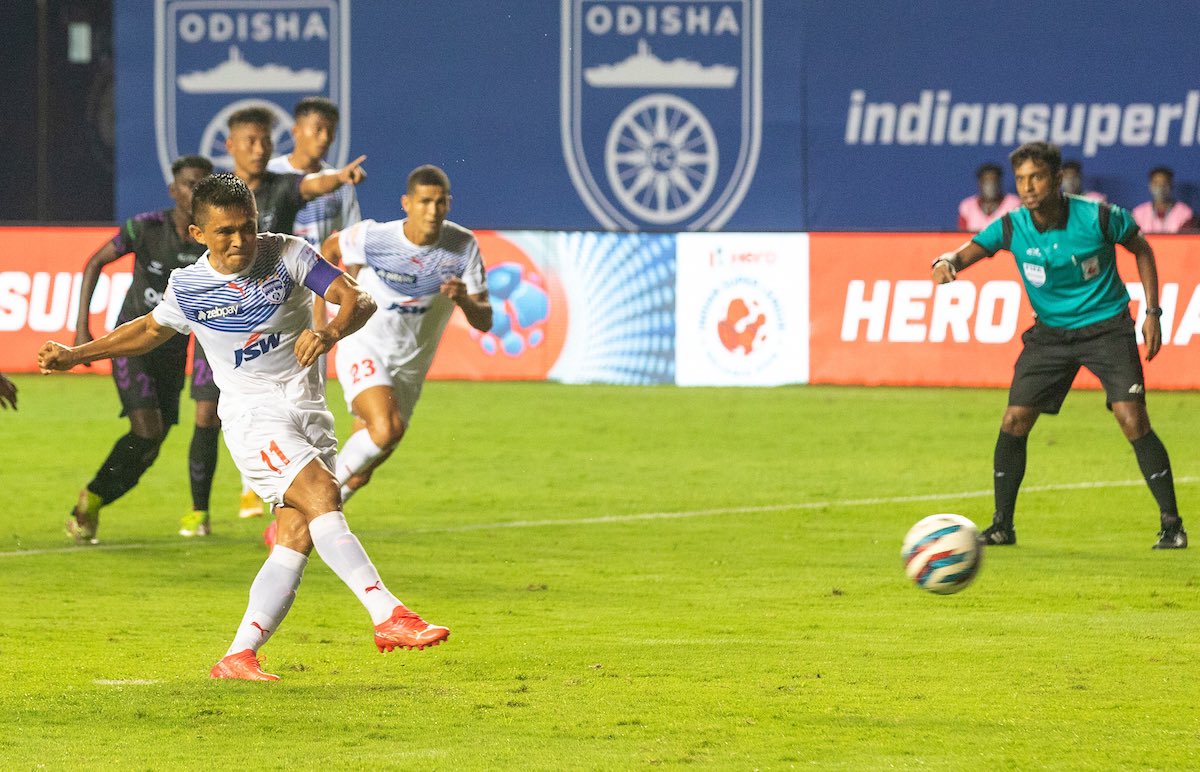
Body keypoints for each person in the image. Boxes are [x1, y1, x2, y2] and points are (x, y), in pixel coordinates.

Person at [38, 173, 449, 680]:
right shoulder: (188, 287)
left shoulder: (289, 255)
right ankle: (388, 614)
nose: (240, 241)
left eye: (248, 227)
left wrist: (328, 332)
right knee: (323, 493)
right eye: (226, 231)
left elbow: (356, 299)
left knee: (296, 533)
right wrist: (77, 354)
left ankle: (239, 655)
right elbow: (147, 330)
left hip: (308, 407)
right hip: (254, 415)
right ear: (199, 234)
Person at [932, 141, 1185, 549]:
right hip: (1050, 334)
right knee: (1014, 421)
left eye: (1036, 177)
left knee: (1131, 418)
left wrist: (1153, 313)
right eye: (1021, 179)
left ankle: (1172, 526)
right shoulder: (1013, 226)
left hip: (1107, 328)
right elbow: (967, 253)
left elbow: (1143, 248)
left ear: (1055, 178)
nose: (1028, 187)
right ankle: (1002, 526)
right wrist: (946, 265)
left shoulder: (1099, 216)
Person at [261, 165, 492, 547]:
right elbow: (332, 248)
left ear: (448, 204)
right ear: (407, 204)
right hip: (363, 344)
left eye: (439, 203)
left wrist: (464, 299)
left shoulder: (463, 247)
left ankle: (297, 522)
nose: (432, 210)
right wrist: (324, 317)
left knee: (362, 469)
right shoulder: (375, 237)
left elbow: (484, 321)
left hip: (410, 367)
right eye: (424, 202)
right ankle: (303, 519)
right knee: (387, 429)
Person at [221, 104, 368, 520]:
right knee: (257, 385)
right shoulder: (277, 177)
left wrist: (344, 292)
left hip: (317, 290)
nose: (323, 137)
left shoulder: (334, 185)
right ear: (298, 131)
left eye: (330, 131)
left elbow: (349, 240)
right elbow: (304, 188)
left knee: (305, 386)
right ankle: (258, 484)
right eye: (316, 129)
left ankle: (302, 478)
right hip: (268, 295)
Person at [65, 155, 214, 544]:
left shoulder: (212, 238)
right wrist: (83, 327)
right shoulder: (145, 227)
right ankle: (91, 502)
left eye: (203, 184)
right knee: (148, 430)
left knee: (153, 443)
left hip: (172, 350)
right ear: (174, 190)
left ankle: (93, 499)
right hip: (132, 344)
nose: (195, 191)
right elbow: (95, 261)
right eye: (188, 184)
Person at [958, 163, 1021, 231]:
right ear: (980, 183)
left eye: (994, 181)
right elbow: (961, 236)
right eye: (986, 182)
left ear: (999, 183)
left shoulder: (1014, 204)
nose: (990, 186)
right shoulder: (967, 206)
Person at [1131, 166, 1194, 234]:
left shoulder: (1184, 212)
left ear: (1171, 185)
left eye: (1164, 183)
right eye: (1156, 183)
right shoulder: (1138, 213)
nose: (1160, 188)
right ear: (1150, 186)